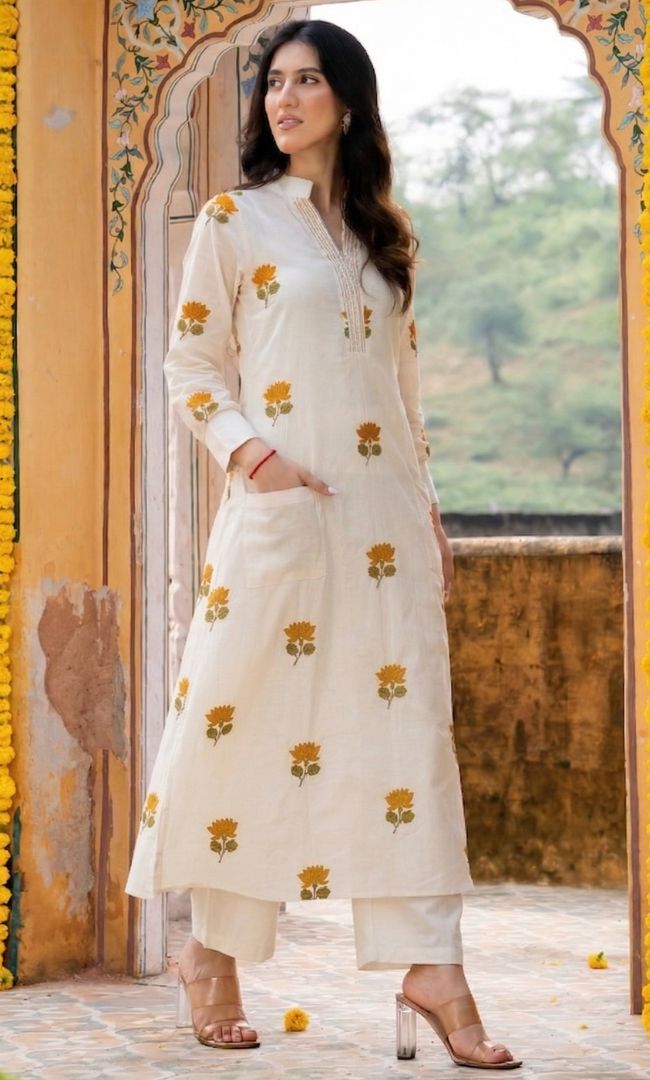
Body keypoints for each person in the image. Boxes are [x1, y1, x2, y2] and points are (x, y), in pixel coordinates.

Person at [125, 18, 522, 1071]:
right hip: (280, 511)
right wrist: (253, 457)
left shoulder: (383, 235)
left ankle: (432, 969)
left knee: (404, 739)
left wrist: (427, 510)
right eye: (273, 82)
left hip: (384, 524)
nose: (283, 98)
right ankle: (211, 953)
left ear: (347, 100)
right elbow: (190, 366)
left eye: (307, 81)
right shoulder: (236, 219)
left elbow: (402, 393)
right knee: (242, 724)